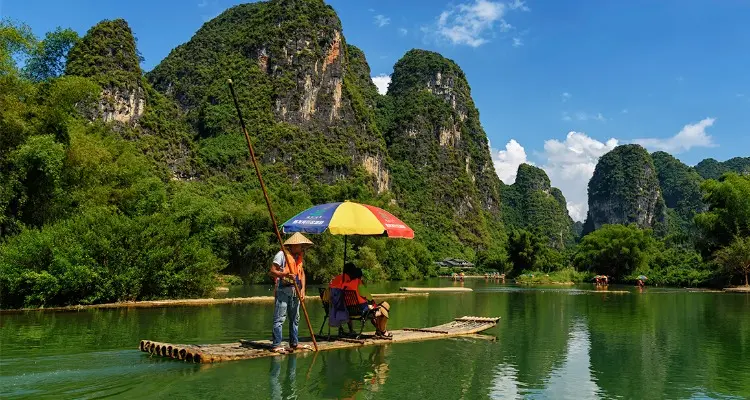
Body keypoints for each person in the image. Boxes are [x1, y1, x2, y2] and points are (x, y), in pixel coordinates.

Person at [269, 232, 312, 353]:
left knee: (295, 318)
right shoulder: (281, 255)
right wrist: (284, 274)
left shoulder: (298, 257)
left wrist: (303, 289)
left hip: (296, 291)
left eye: (302, 246)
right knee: (280, 318)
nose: (301, 248)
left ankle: (294, 343)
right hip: (283, 290)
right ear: (293, 245)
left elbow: (302, 273)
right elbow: (272, 271)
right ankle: (276, 345)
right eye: (299, 246)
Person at [330, 263, 391, 337]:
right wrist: (372, 304)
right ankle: (383, 331)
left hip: (348, 311)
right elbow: (369, 297)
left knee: (377, 308)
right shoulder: (358, 283)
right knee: (383, 308)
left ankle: (379, 330)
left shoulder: (344, 284)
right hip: (361, 311)